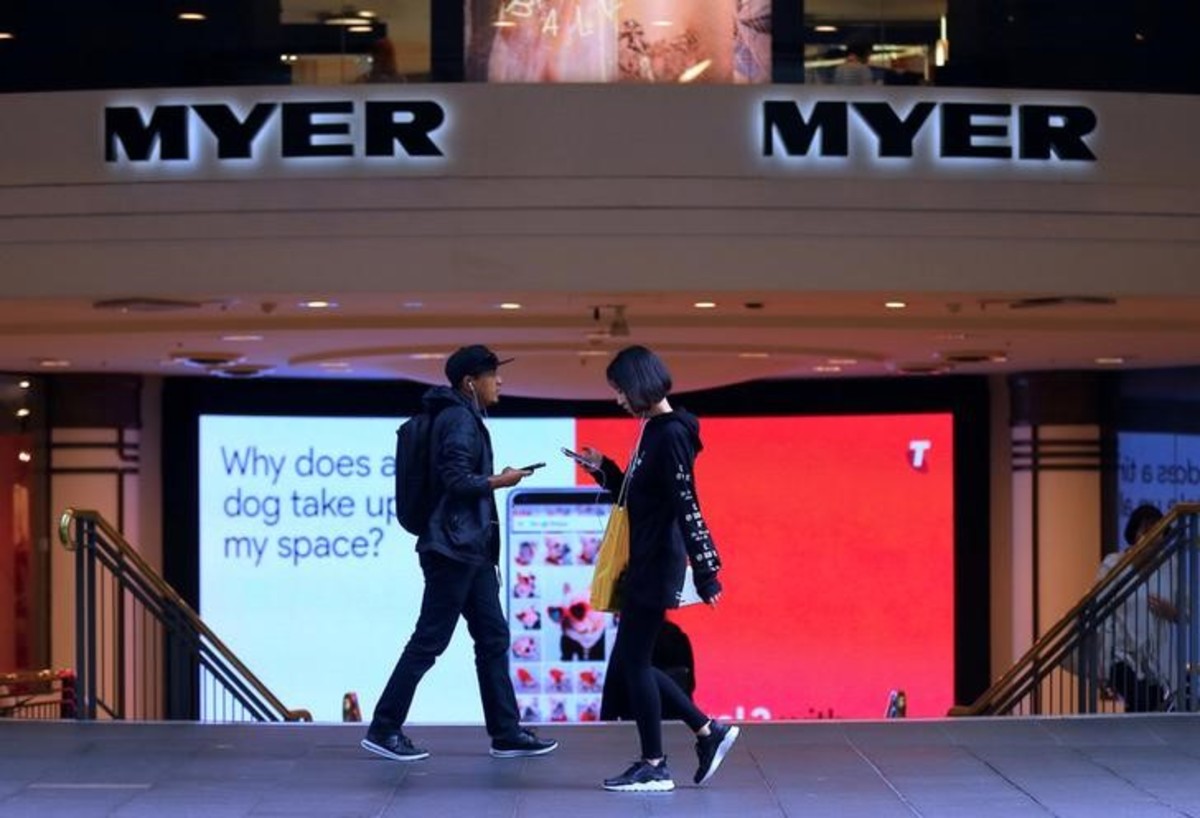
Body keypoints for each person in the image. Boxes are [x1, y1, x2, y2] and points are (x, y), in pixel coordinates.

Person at [362, 345, 558, 762]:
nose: (499, 381)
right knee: (430, 639)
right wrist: (501, 480)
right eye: (491, 374)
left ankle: (505, 732)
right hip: (454, 549)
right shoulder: (458, 419)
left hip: (469, 548)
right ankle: (384, 727)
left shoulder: (459, 416)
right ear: (470, 382)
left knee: (493, 637)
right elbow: (455, 480)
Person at [575, 344, 739, 793]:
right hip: (644, 559)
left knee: (634, 662)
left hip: (656, 562)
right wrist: (604, 469)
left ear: (639, 385)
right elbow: (638, 499)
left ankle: (659, 762)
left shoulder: (671, 435)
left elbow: (687, 504)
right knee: (636, 662)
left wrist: (706, 571)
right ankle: (705, 733)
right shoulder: (652, 431)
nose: (618, 400)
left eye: (620, 390)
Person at [1096, 503, 1177, 712]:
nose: (1152, 537)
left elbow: (1188, 610)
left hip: (1157, 661)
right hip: (1120, 655)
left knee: (1149, 711)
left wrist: (1173, 613)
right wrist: (1102, 662)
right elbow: (1100, 613)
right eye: (1146, 530)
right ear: (1134, 534)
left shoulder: (1170, 565)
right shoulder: (1114, 564)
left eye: (1158, 531)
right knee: (1141, 702)